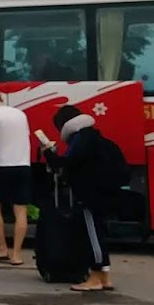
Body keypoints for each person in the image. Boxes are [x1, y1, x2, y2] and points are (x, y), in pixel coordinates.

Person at [45, 104, 125, 292]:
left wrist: (47, 153)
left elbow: (66, 163)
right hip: (106, 192)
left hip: (91, 195)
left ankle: (95, 277)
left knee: (92, 234)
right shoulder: (97, 138)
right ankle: (104, 277)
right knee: (99, 232)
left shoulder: (81, 139)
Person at [0, 89, 33, 267]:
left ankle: (2, 249)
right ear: (1, 99)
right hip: (23, 165)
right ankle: (17, 255)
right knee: (21, 210)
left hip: (1, 166)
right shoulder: (20, 114)